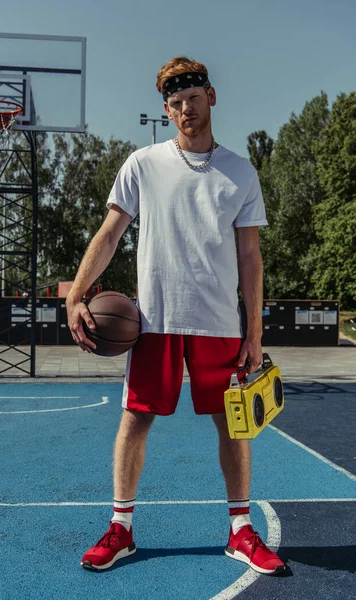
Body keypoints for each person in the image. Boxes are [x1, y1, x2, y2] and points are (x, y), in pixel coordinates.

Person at [66, 56, 286, 575]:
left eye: (193, 98)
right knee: (136, 418)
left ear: (211, 96)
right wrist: (77, 294)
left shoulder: (240, 171)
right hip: (155, 321)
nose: (186, 108)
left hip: (219, 325)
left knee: (233, 427)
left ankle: (240, 531)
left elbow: (250, 257)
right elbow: (111, 232)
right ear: (167, 110)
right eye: (175, 103)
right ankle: (121, 529)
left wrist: (254, 331)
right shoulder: (143, 164)